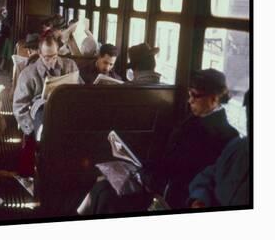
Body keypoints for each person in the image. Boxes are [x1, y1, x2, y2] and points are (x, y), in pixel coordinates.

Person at [77, 68, 239, 214]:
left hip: (173, 197)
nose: (190, 101)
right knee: (103, 186)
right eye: (189, 95)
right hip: (159, 182)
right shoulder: (194, 119)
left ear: (214, 99)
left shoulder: (226, 137)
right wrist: (141, 166)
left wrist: (147, 177)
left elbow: (189, 177)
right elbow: (169, 159)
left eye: (195, 96)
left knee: (107, 196)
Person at [188, 90, 250, 208]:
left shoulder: (226, 134)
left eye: (196, 95)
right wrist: (200, 198)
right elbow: (209, 175)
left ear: (214, 99)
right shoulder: (237, 146)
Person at [13, 35, 82, 138]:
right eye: (47, 58)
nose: (51, 62)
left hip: (68, 110)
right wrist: (32, 129)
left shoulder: (70, 66)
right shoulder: (28, 74)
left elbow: (82, 90)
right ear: (40, 54)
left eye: (54, 56)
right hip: (41, 115)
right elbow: (19, 106)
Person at [0, 7, 13, 72]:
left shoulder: (7, 20)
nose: (4, 14)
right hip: (7, 38)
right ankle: (2, 66)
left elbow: (8, 28)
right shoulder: (4, 20)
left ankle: (4, 67)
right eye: (3, 13)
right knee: (5, 53)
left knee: (7, 53)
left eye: (5, 13)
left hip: (9, 38)